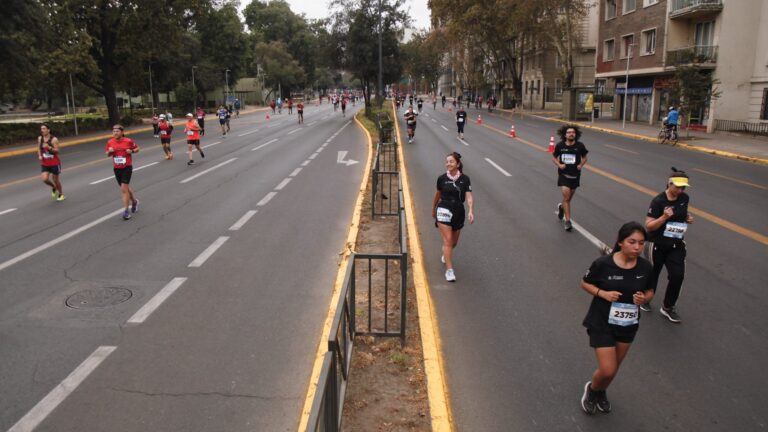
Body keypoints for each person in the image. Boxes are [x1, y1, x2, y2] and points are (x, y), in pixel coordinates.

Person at [580, 221, 654, 415]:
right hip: (601, 321)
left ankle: (601, 391)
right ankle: (592, 390)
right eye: (632, 242)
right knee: (608, 369)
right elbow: (585, 283)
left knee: (614, 368)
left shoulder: (646, 267)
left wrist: (644, 298)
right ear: (621, 242)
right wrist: (603, 293)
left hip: (628, 324)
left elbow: (650, 290)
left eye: (641, 243)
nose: (637, 247)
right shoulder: (603, 264)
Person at [642, 168, 693, 323]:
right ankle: (645, 298)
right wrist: (663, 217)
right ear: (669, 184)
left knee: (678, 275)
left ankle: (668, 307)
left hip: (676, 244)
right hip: (656, 244)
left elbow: (682, 214)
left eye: (683, 187)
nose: (680, 190)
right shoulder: (658, 201)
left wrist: (687, 218)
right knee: (653, 274)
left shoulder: (684, 198)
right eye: (677, 187)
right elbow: (649, 226)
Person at [431, 152, 474, 282]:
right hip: (443, 208)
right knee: (448, 240)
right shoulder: (442, 178)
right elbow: (438, 194)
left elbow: (469, 196)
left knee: (453, 243)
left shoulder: (465, 179)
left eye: (451, 161)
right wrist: (433, 208)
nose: (448, 164)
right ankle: (449, 271)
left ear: (458, 164)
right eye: (447, 161)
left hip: (458, 211)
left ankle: (446, 253)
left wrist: (471, 211)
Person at [552, 125, 588, 231]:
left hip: (575, 176)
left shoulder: (580, 146)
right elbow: (554, 157)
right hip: (563, 175)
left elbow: (585, 157)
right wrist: (559, 165)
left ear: (575, 134)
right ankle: (568, 221)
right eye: (569, 132)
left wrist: (581, 165)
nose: (571, 134)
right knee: (567, 198)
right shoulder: (560, 145)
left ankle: (561, 207)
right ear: (565, 135)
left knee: (568, 199)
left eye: (573, 132)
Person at [105, 125, 139, 220]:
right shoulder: (110, 142)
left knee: (123, 189)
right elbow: (107, 154)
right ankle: (134, 201)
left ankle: (126, 211)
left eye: (117, 131)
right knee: (125, 188)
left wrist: (131, 151)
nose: (115, 133)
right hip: (117, 168)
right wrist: (109, 152)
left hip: (127, 167)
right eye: (114, 131)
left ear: (122, 132)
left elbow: (137, 149)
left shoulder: (128, 141)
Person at [37, 124, 65, 201]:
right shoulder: (40, 138)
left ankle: (61, 194)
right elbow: (39, 148)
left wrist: (49, 147)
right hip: (45, 163)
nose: (42, 130)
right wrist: (39, 155)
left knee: (55, 180)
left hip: (54, 163)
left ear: (48, 130)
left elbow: (57, 151)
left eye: (44, 129)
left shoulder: (54, 139)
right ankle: (54, 187)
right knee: (45, 179)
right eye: (41, 129)